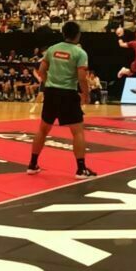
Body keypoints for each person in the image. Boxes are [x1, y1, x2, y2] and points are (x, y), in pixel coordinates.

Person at [27, 21, 97, 179]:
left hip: (51, 93)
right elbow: (81, 78)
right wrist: (86, 95)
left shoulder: (52, 49)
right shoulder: (80, 53)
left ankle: (32, 164)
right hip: (68, 94)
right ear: (78, 35)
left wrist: (50, 84)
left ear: (63, 34)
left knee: (43, 130)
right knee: (77, 132)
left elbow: (41, 71)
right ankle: (81, 169)